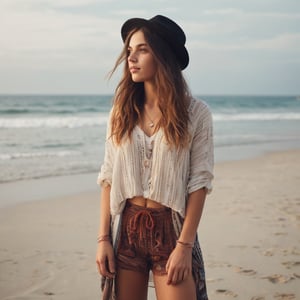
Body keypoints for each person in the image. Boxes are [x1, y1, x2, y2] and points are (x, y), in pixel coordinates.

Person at [96, 15, 214, 300]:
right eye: (128, 51)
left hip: (172, 231)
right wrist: (103, 240)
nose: (131, 58)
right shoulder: (121, 112)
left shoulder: (196, 114)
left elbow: (199, 183)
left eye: (142, 49)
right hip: (126, 230)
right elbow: (108, 177)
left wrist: (184, 246)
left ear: (163, 55)